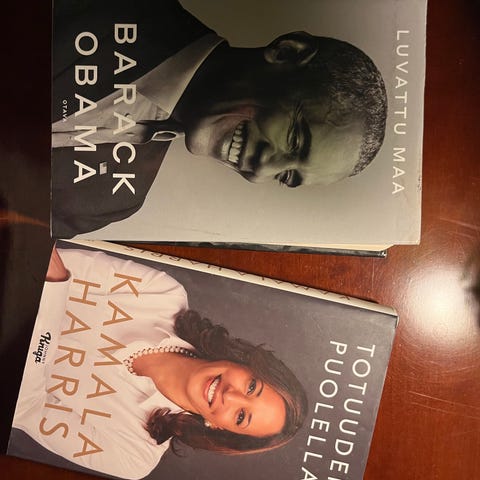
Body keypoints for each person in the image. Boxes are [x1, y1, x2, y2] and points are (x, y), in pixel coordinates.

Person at [51, 0, 387, 237]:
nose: (260, 171)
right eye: (295, 139)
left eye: (286, 176)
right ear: (286, 51)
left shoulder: (114, 200)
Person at [12, 246, 307, 480]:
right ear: (246, 363)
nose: (231, 395)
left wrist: (55, 290)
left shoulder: (134, 456)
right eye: (252, 386)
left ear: (220, 429)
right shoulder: (163, 294)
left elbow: (21, 408)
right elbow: (35, 256)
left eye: (240, 416)